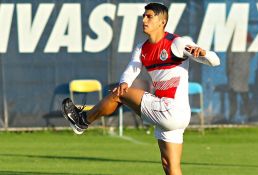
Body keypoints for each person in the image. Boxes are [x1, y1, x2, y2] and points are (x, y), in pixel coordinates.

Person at [61, 3, 220, 175]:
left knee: (119, 95)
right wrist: (124, 82)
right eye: (144, 15)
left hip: (171, 109)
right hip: (173, 113)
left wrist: (204, 53)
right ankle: (82, 120)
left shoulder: (177, 43)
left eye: (150, 16)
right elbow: (132, 69)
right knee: (170, 166)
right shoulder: (142, 48)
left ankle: (82, 120)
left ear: (162, 21)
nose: (144, 19)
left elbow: (215, 61)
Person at [226, 33, 254, 123]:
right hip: (244, 69)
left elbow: (230, 56)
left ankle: (233, 116)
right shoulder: (248, 36)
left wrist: (229, 70)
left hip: (236, 70)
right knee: (243, 93)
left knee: (234, 94)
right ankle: (248, 115)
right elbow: (253, 53)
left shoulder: (235, 37)